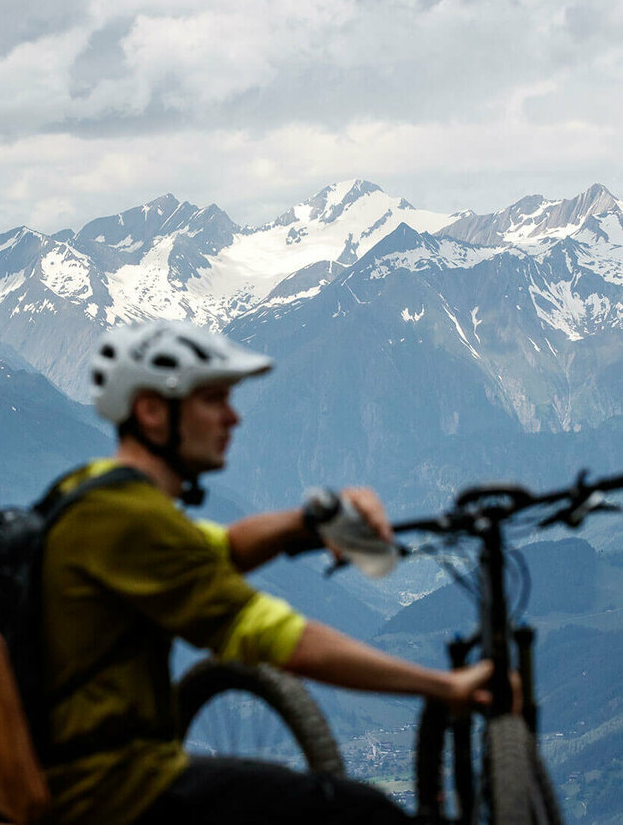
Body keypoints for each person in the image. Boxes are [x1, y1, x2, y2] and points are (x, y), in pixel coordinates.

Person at [40, 321, 492, 825]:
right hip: (115, 794)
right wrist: (441, 685)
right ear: (150, 410)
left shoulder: (92, 492)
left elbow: (226, 547)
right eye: (213, 399)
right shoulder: (134, 518)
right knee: (367, 813)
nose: (233, 417)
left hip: (78, 779)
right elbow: (288, 642)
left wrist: (312, 521)